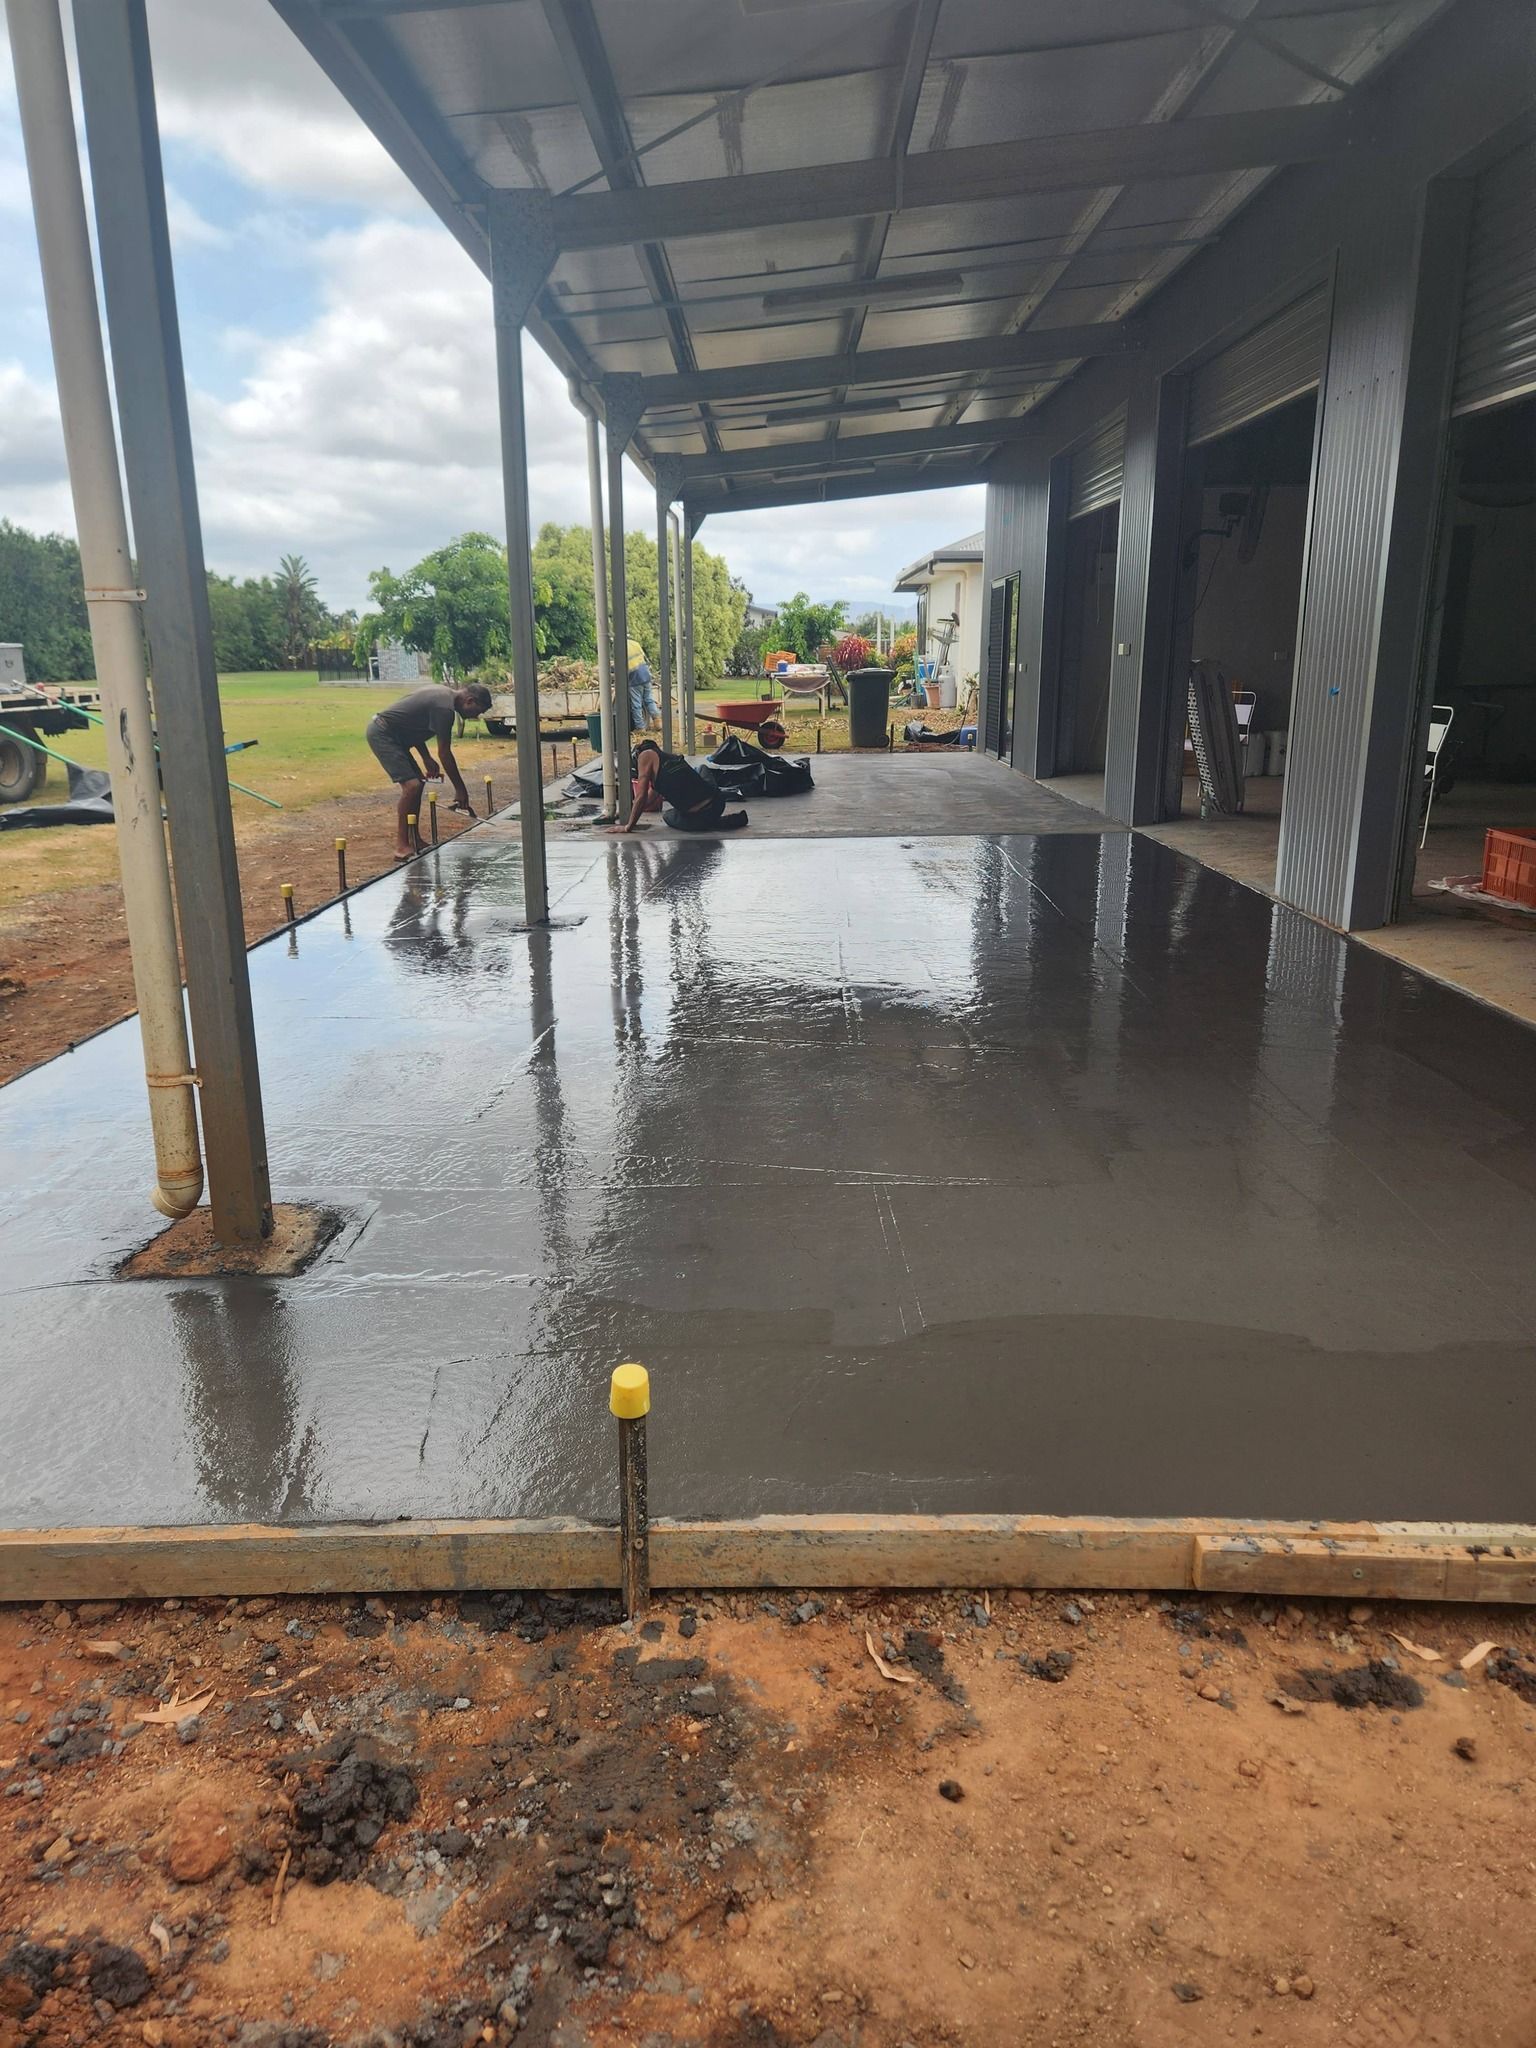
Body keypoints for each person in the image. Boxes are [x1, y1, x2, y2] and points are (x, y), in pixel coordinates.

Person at [366, 680, 492, 858]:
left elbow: (412, 724)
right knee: (412, 786)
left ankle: (414, 839)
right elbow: (445, 754)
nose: (476, 716)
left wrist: (426, 757)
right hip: (383, 734)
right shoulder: (444, 709)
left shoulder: (444, 696)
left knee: (419, 783)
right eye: (478, 712)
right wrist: (460, 789)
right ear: (470, 701)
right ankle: (401, 846)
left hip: (397, 735)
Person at [610, 738, 748, 835]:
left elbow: (641, 797)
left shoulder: (644, 756)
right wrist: (625, 811)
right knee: (702, 768)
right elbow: (647, 801)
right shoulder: (668, 758)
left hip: (698, 819)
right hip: (718, 803)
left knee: (668, 816)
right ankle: (716, 821)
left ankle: (715, 823)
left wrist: (628, 826)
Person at [627, 637, 658, 731]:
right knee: (649, 699)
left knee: (636, 703)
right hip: (645, 674)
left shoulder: (619, 647)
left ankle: (640, 728)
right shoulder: (635, 643)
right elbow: (643, 658)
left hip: (634, 677)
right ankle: (657, 720)